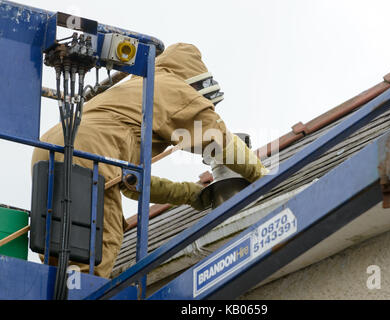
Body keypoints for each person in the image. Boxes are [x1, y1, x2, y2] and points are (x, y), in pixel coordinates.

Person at [31, 43, 269, 279]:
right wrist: (264, 176)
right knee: (98, 243)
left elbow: (131, 182)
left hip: (50, 148)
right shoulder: (174, 88)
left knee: (59, 246)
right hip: (89, 149)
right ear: (198, 86)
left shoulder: (139, 91)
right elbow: (219, 139)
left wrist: (187, 194)